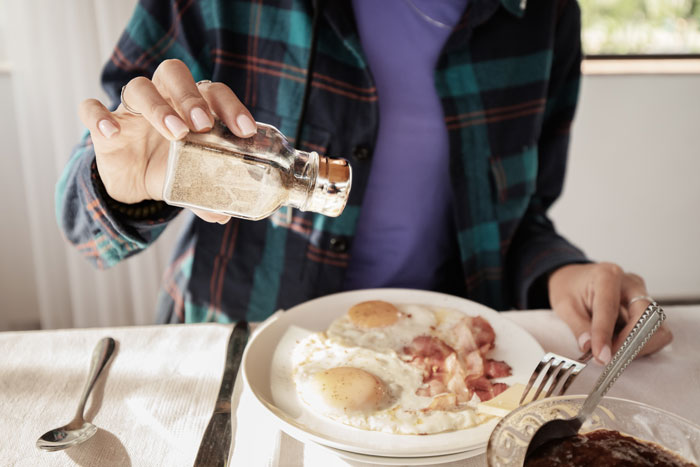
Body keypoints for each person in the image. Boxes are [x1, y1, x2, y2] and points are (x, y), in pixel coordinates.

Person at [56, 0, 671, 364]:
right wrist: (124, 185)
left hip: (443, 368)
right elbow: (81, 227)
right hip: (237, 361)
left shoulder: (544, 16)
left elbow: (522, 220)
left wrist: (560, 274)